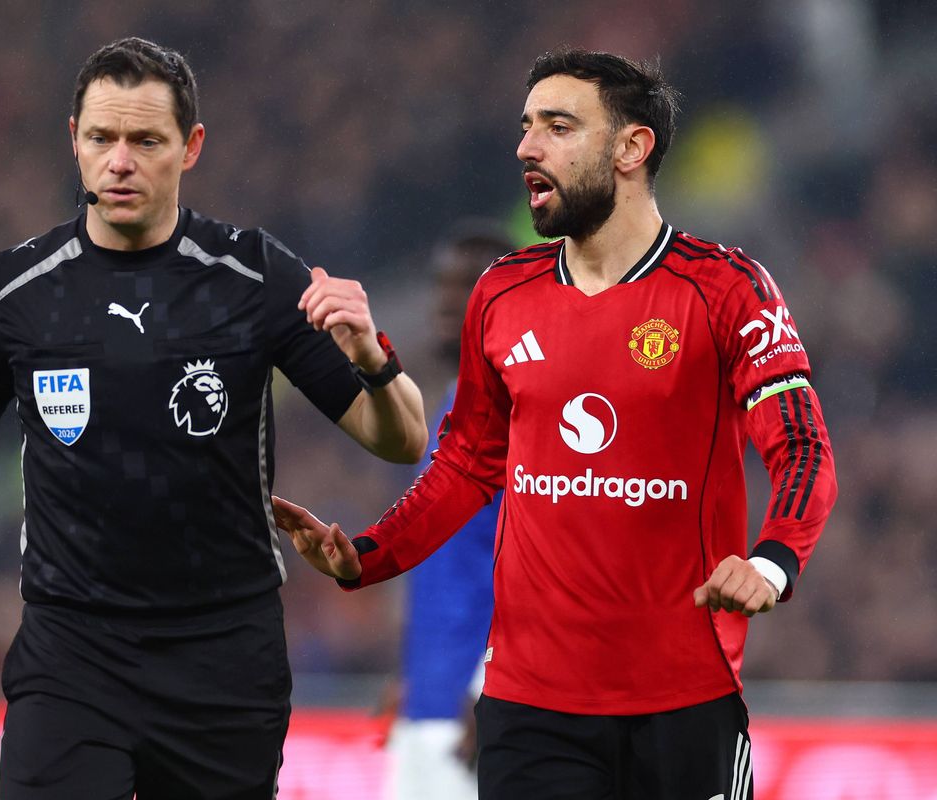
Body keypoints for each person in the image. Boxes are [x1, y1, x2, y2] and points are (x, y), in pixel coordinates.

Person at [0, 36, 427, 798]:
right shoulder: (19, 292)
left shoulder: (253, 277)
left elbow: (400, 437)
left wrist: (372, 357)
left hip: (224, 656)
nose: (121, 161)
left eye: (146, 140)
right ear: (73, 142)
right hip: (71, 656)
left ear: (191, 147)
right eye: (103, 138)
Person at [273, 49, 837, 799]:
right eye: (527, 126)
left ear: (631, 149)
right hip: (529, 709)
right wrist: (367, 556)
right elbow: (467, 462)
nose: (527, 148)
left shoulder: (727, 291)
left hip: (682, 700)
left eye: (559, 126)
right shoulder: (502, 296)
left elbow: (800, 447)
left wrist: (771, 562)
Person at [389, 224, 512, 800]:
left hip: (479, 715)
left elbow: (543, 564)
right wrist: (414, 680)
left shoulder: (520, 417)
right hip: (432, 703)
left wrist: (491, 689)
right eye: (442, 284)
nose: (445, 301)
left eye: (466, 286)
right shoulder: (453, 406)